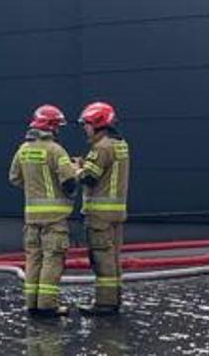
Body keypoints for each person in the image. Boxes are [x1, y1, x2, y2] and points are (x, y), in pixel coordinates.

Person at [8, 104, 79, 317]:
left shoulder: (23, 149)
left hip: (31, 218)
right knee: (52, 259)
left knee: (33, 260)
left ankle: (32, 304)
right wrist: (77, 170)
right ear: (52, 127)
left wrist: (34, 186)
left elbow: (14, 178)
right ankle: (48, 305)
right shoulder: (56, 150)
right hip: (55, 218)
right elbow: (69, 182)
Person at [76, 101, 129, 316]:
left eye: (87, 124)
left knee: (102, 260)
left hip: (100, 216)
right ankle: (114, 299)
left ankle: (104, 304)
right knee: (114, 258)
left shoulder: (101, 148)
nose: (85, 128)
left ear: (97, 124)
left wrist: (75, 169)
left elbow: (89, 177)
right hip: (116, 212)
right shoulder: (121, 144)